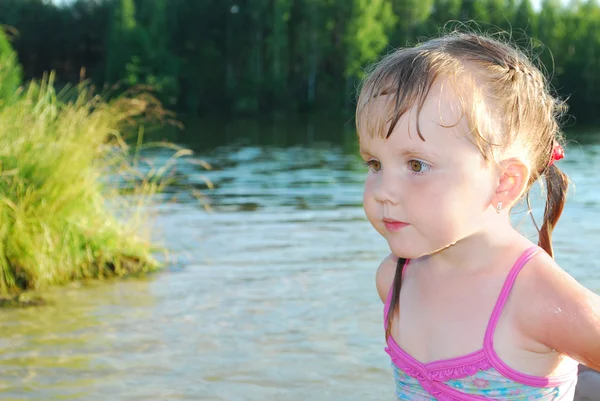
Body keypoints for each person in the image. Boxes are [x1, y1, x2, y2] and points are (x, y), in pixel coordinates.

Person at [355, 32, 600, 400]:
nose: (383, 190)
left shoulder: (539, 299)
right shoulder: (393, 280)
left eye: (416, 164)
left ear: (503, 182)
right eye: (375, 163)